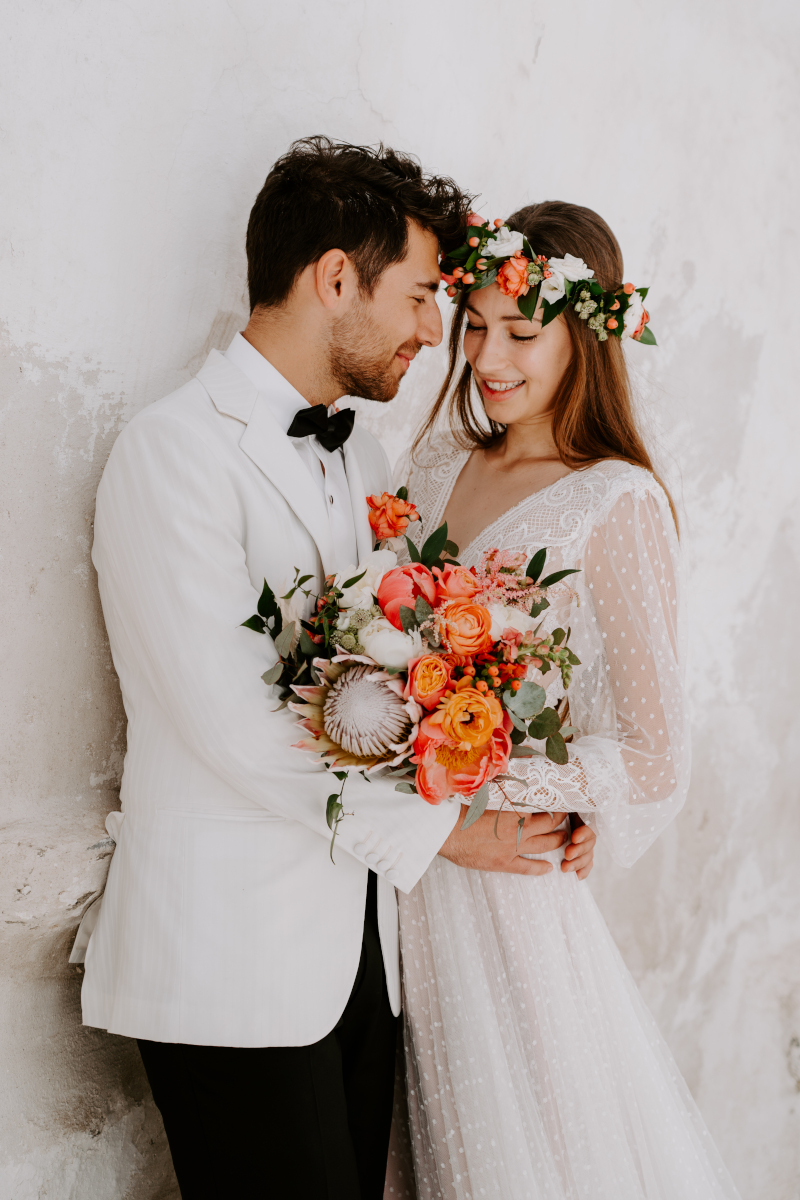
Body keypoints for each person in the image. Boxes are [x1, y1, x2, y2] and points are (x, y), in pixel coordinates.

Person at [77, 140, 596, 1200]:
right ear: (331, 279)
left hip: (366, 961)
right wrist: (452, 833)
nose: (430, 332)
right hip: (229, 966)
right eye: (416, 297)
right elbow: (230, 724)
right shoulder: (172, 453)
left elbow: (396, 681)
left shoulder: (362, 455)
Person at [396, 201, 742, 1198]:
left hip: (497, 889)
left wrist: (500, 785)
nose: (486, 356)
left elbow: (650, 752)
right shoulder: (430, 464)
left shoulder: (612, 501)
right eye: (474, 325)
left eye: (520, 330)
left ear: (582, 333)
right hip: (388, 860)